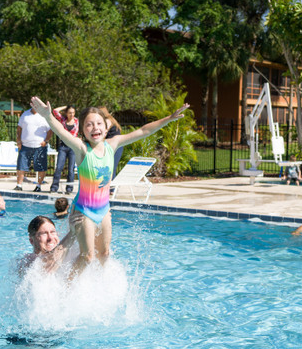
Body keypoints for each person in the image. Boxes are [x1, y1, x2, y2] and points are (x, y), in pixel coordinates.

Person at [31, 96, 190, 274]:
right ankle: (68, 287)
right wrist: (48, 116)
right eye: (89, 124)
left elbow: (144, 131)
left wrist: (168, 119)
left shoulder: (112, 145)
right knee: (88, 256)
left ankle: (98, 284)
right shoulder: (82, 149)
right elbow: (61, 132)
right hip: (84, 211)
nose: (95, 127)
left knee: (105, 254)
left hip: (104, 209)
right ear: (82, 130)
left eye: (99, 123)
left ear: (107, 128)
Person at [15, 107, 53, 192]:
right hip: (25, 145)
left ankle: (38, 186)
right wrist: (18, 140)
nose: (36, 106)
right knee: (21, 166)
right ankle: (19, 185)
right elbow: (19, 128)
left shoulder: (44, 116)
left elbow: (50, 131)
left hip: (40, 146)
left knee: (41, 167)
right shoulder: (25, 114)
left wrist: (46, 141)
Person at [49, 105, 78, 194]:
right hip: (63, 146)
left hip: (72, 147)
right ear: (66, 113)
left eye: (73, 112)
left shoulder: (77, 121)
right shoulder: (62, 120)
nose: (72, 114)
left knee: (70, 169)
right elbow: (55, 111)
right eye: (70, 112)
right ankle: (54, 187)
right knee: (59, 167)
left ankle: (69, 189)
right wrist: (66, 106)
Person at [98, 107, 124, 193]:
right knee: (109, 166)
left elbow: (104, 131)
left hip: (115, 146)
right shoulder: (110, 119)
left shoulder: (107, 120)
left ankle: (111, 189)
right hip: (114, 145)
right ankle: (111, 188)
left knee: (111, 167)